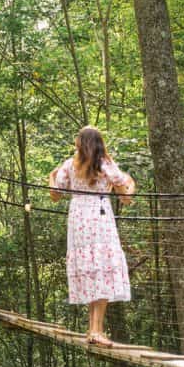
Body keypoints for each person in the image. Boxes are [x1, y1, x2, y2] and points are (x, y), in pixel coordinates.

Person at [49, 126, 135, 346]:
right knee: (103, 269)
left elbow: (55, 195)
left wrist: (51, 177)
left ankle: (93, 330)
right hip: (100, 217)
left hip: (78, 219)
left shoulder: (69, 165)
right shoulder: (106, 164)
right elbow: (125, 193)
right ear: (99, 143)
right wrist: (130, 183)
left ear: (80, 143)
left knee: (91, 269)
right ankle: (96, 331)